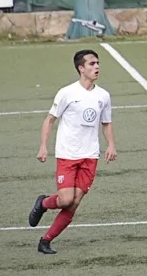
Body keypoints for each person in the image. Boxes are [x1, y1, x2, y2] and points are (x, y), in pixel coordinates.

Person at [28, 49, 118, 254]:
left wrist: (111, 145)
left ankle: (45, 241)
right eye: (92, 64)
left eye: (97, 63)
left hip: (90, 155)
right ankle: (42, 203)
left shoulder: (103, 95)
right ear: (81, 68)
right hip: (67, 154)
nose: (97, 67)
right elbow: (49, 120)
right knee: (66, 199)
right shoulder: (67, 93)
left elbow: (106, 123)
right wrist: (43, 146)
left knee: (73, 203)